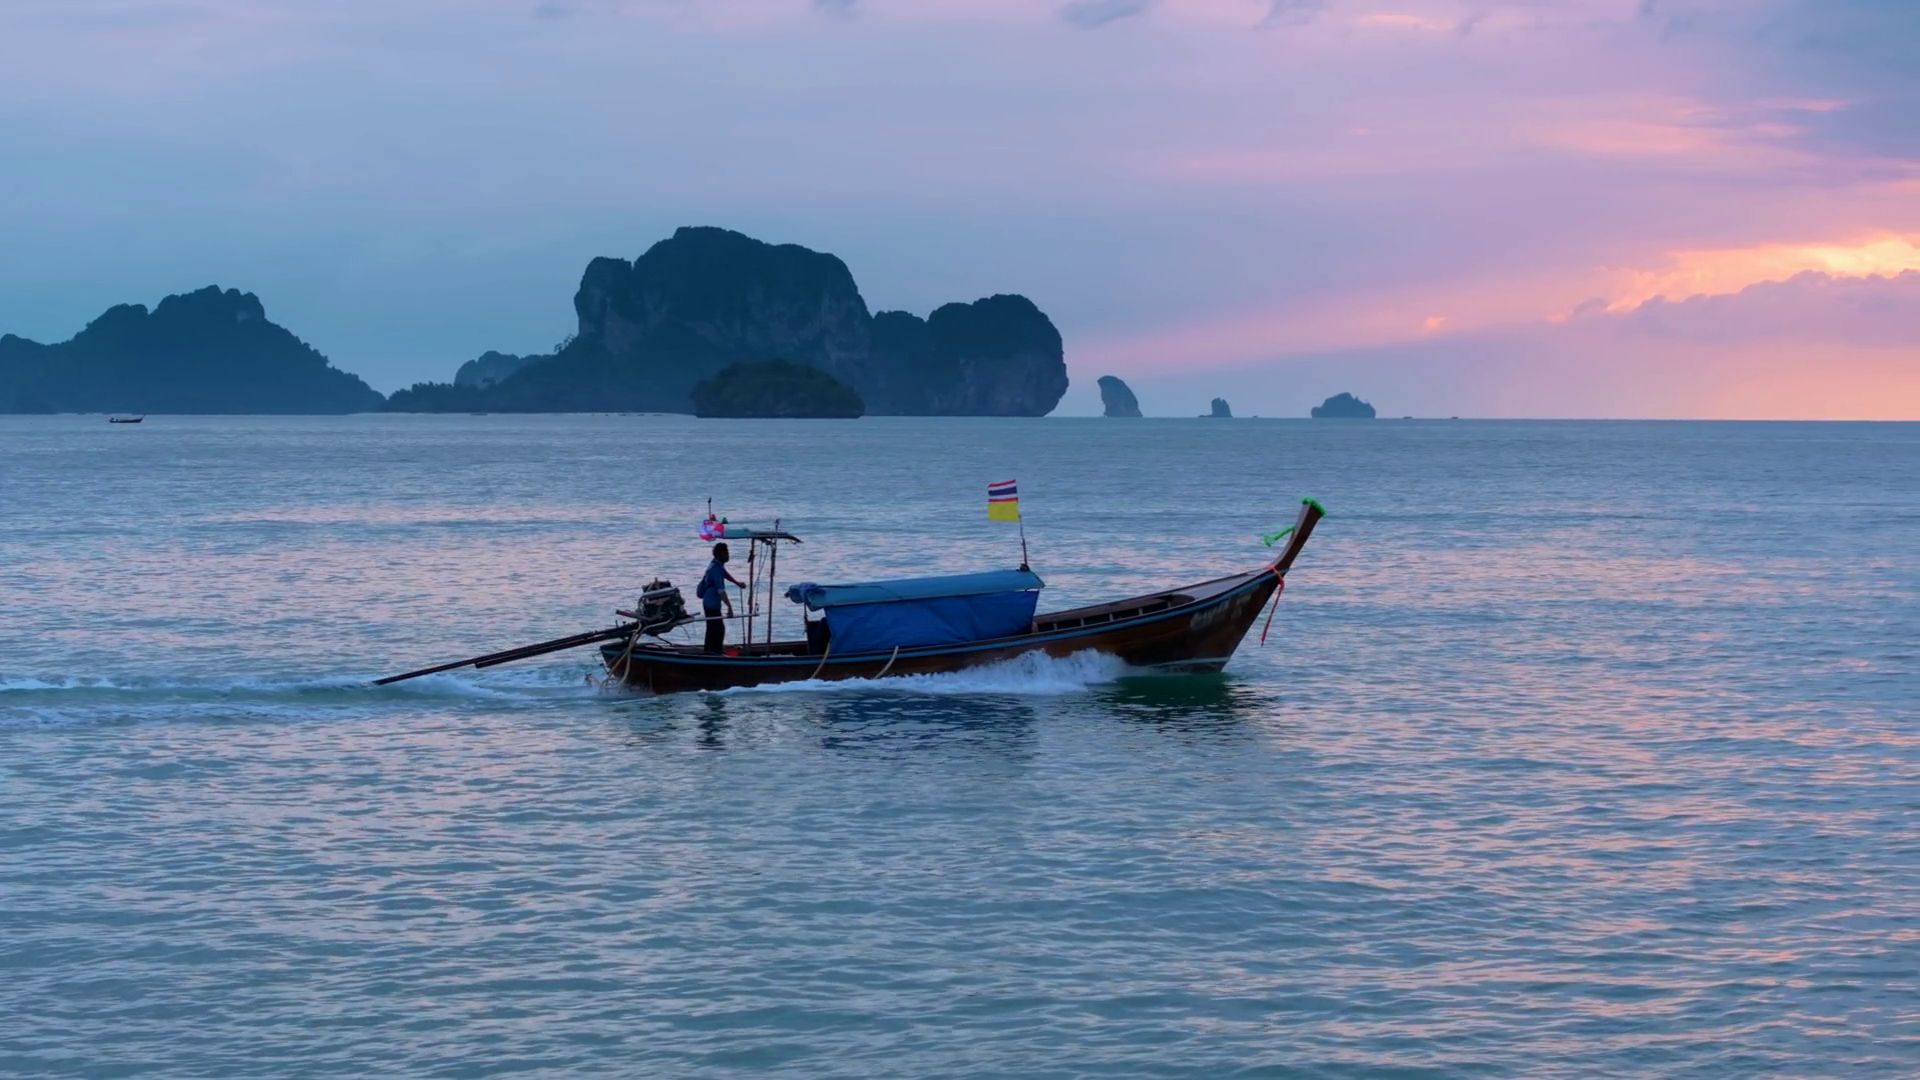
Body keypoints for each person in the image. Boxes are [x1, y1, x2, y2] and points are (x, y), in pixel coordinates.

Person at [696, 542, 745, 654]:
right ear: (719, 554)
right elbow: (721, 591)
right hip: (711, 603)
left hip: (712, 602)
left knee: (714, 628)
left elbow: (726, 574)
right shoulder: (715, 569)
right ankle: (713, 653)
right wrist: (729, 607)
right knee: (717, 629)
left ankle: (711, 651)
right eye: (726, 553)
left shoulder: (717, 564)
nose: (728, 555)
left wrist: (737, 583)